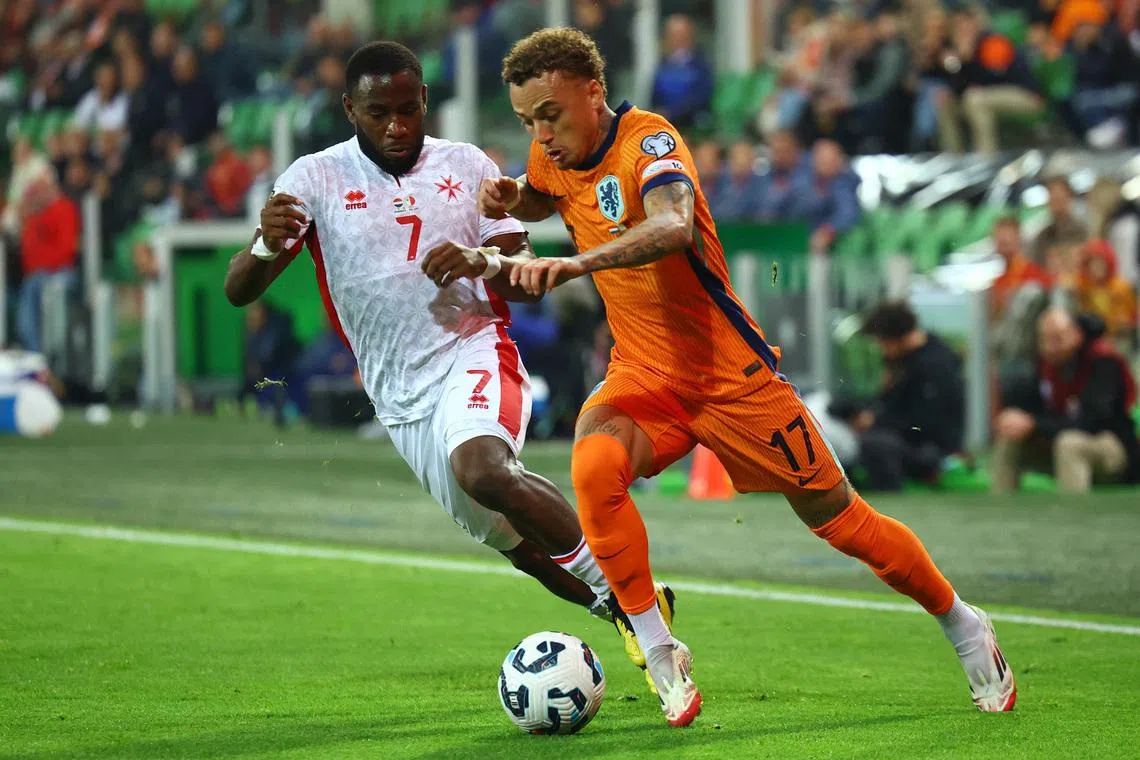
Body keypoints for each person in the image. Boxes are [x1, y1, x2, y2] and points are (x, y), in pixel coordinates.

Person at [489, 27, 1015, 727]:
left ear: (592, 92)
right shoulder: (550, 154)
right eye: (528, 121)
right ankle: (659, 647)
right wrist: (511, 197)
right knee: (592, 467)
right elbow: (544, 192)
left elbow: (673, 225)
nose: (541, 133)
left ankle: (963, 623)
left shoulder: (649, 143)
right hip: (645, 373)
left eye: (549, 114)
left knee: (844, 523)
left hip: (732, 378)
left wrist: (578, 265)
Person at [221, 41, 665, 692]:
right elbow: (239, 290)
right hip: (400, 399)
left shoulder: (467, 165)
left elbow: (527, 283)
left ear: (425, 100)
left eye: (408, 109)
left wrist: (480, 261)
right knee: (516, 545)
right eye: (379, 113)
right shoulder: (314, 179)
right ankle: (615, 607)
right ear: (350, 108)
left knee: (484, 467)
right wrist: (263, 242)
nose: (397, 125)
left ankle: (633, 603)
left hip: (473, 349)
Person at [992, 309, 1139, 492]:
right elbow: (1032, 410)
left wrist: (1034, 423)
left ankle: (1073, 516)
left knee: (1069, 443)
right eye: (1045, 340)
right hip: (1058, 440)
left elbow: (1091, 421)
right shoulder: (1043, 367)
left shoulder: (1103, 362)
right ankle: (1001, 510)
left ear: (1077, 334)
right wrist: (1015, 420)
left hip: (1110, 449)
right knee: (1011, 440)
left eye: (1058, 338)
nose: (1051, 347)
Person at [852, 302, 965, 492]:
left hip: (931, 447)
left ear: (896, 337)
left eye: (882, 342)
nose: (881, 348)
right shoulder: (899, 360)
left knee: (876, 444)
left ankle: (890, 490)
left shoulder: (935, 364)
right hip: (903, 436)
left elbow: (926, 423)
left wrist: (876, 421)